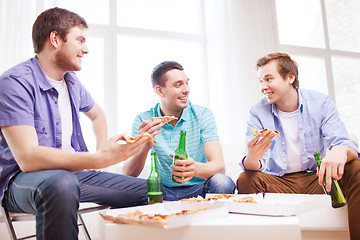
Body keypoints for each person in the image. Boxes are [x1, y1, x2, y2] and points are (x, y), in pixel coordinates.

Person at [0, 7, 152, 240]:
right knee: (60, 182)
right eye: (80, 40)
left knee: (149, 192)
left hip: (72, 176)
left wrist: (101, 151)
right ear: (55, 39)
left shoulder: (72, 83)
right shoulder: (15, 83)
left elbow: (98, 115)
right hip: (20, 182)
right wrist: (99, 158)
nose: (86, 49)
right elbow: (28, 159)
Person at [237, 52, 360, 239]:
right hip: (278, 181)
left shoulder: (320, 103)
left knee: (357, 167)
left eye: (269, 79)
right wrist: (252, 156)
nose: (263, 87)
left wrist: (340, 150)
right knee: (246, 179)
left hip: (316, 179)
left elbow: (343, 142)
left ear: (290, 77)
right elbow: (253, 166)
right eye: (260, 81)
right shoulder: (257, 112)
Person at [122, 61, 235, 200]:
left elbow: (219, 167)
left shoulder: (202, 114)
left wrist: (195, 168)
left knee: (223, 182)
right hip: (162, 192)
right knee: (126, 189)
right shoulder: (143, 120)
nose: (186, 89)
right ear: (160, 90)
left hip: (199, 189)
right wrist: (144, 147)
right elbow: (128, 174)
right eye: (178, 84)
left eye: (187, 83)